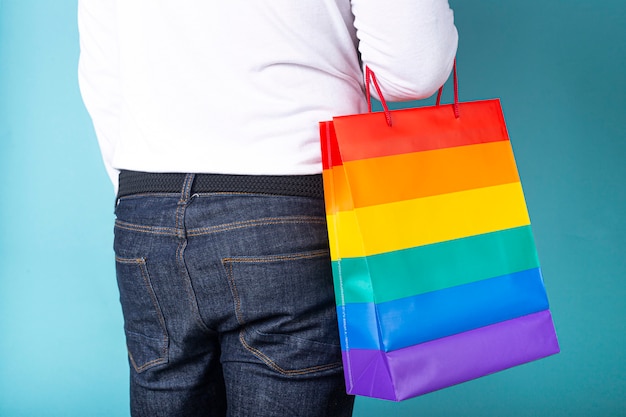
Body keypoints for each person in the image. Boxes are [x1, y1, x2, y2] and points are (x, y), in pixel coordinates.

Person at [77, 1, 457, 416]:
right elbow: (416, 68)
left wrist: (149, 202)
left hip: (147, 206)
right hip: (288, 199)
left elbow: (103, 75)